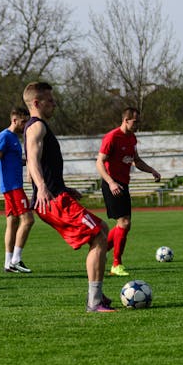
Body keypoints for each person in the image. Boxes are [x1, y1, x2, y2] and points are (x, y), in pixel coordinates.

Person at [23, 81, 114, 312]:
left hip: (57, 196)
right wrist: (42, 187)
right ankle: (94, 302)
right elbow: (32, 161)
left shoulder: (40, 127)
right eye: (50, 101)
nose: (55, 104)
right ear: (36, 103)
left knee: (102, 229)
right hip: (52, 202)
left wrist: (63, 187)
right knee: (99, 236)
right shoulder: (36, 127)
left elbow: (43, 163)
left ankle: (97, 296)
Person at [96, 107, 161, 277]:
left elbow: (136, 161)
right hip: (112, 184)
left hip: (123, 184)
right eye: (135, 121)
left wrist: (152, 170)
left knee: (124, 224)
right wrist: (110, 183)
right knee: (124, 223)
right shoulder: (112, 137)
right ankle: (116, 264)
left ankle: (99, 250)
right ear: (126, 120)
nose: (137, 125)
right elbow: (99, 162)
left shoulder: (132, 138)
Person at [0, 106, 35, 273]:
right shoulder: (4, 136)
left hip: (13, 186)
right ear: (14, 120)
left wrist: (27, 162)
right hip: (12, 187)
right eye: (23, 121)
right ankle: (16, 259)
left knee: (12, 224)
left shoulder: (14, 138)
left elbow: (12, 160)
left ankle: (8, 263)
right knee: (28, 220)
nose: (25, 125)